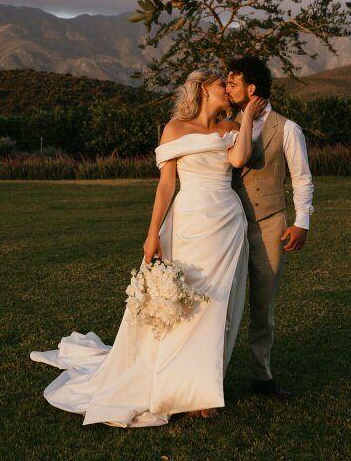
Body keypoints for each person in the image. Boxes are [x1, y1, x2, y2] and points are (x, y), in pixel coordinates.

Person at [30, 69, 266, 427]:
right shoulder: (175, 129)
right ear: (204, 89)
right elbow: (166, 185)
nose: (228, 90)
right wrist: (152, 233)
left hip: (226, 224)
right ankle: (179, 384)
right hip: (188, 224)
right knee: (186, 303)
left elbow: (239, 160)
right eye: (222, 84)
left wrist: (246, 117)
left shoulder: (231, 127)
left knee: (217, 306)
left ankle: (200, 391)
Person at [225, 57, 315, 398]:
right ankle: (211, 377)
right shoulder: (225, 124)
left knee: (263, 308)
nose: (227, 88)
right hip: (228, 226)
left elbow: (302, 178)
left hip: (270, 226)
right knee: (222, 305)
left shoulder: (287, 128)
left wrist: (301, 222)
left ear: (251, 88)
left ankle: (262, 377)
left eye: (232, 83)